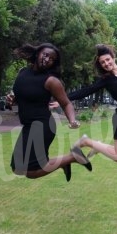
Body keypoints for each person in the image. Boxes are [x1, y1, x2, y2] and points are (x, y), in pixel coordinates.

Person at [8, 43, 92, 181]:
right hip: (28, 126)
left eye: (51, 59)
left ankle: (72, 157)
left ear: (53, 64)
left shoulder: (51, 81)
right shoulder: (23, 72)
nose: (47, 59)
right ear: (38, 53)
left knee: (31, 172)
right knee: (17, 168)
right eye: (45, 55)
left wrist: (72, 120)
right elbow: (24, 96)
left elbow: (66, 103)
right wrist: (12, 100)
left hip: (41, 126)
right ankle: (68, 160)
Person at [65, 44, 117, 163]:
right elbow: (86, 91)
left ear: (113, 57)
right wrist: (63, 99)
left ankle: (98, 146)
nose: (106, 63)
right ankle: (86, 142)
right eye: (102, 62)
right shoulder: (107, 79)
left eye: (107, 59)